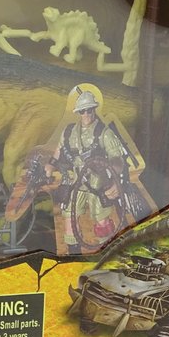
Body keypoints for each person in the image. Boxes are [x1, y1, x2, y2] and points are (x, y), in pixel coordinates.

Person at [49, 89, 132, 254]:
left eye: (89, 110)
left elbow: (117, 158)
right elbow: (59, 149)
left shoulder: (104, 133)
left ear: (94, 109)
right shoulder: (69, 132)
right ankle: (74, 255)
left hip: (97, 184)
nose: (86, 114)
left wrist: (115, 178)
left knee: (102, 222)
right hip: (76, 183)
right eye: (82, 111)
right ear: (78, 112)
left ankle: (108, 252)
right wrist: (50, 165)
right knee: (69, 219)